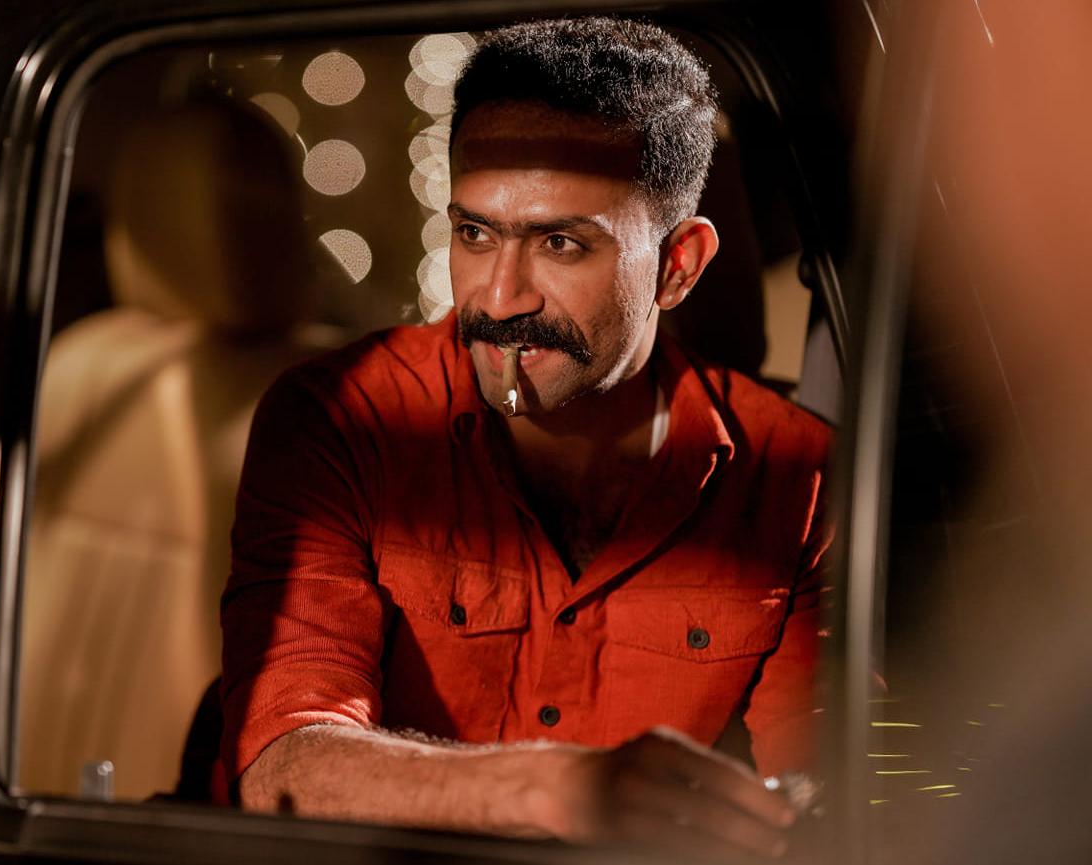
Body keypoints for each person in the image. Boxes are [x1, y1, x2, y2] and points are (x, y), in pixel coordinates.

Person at [219, 16, 830, 859]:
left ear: (678, 266)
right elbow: (279, 766)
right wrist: (554, 791)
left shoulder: (800, 475)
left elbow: (835, 784)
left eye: (560, 243)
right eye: (474, 233)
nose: (499, 298)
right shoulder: (344, 418)